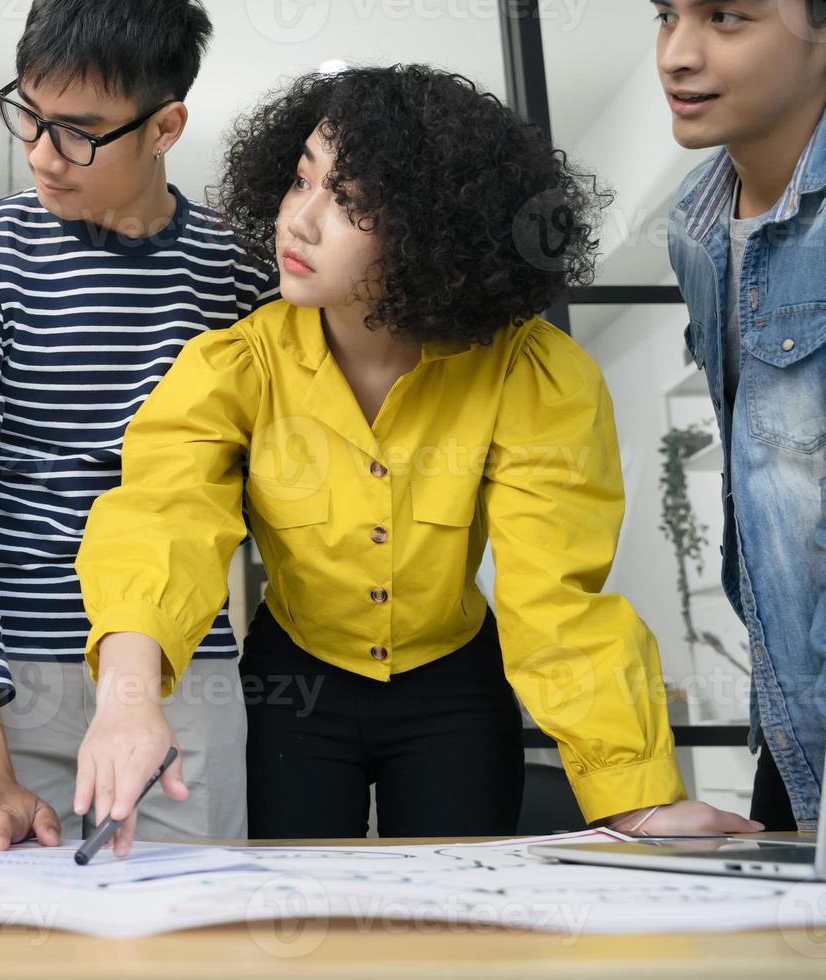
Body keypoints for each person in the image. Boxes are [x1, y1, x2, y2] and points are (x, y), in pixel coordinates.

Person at [75, 65, 762, 845]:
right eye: (302, 180)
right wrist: (129, 696)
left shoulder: (531, 375)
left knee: (465, 928)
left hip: (454, 682)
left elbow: (556, 599)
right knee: (297, 916)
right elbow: (162, 521)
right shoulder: (233, 367)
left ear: (438, 234)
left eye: (351, 203)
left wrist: (633, 796)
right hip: (292, 676)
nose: (298, 221)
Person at [0, 0, 276, 852]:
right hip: (1, 687)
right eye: (29, 116)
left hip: (186, 679)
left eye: (79, 131)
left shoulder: (239, 273)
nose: (41, 154)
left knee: (189, 935)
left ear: (165, 126)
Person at [654, 0, 826, 831]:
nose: (677, 55)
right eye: (664, 15)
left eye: (727, 17)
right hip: (790, 721)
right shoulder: (696, 222)